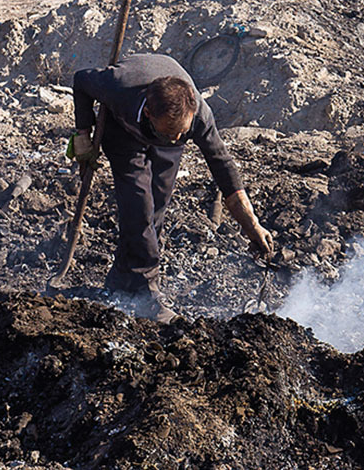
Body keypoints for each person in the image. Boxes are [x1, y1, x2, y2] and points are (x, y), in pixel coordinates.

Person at [69, 54, 273, 323]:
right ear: (150, 113)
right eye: (171, 131)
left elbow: (223, 167)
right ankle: (148, 293)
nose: (177, 137)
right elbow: (81, 79)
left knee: (157, 207)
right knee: (138, 207)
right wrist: (83, 134)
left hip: (163, 140)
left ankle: (120, 281)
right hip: (123, 132)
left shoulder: (197, 116)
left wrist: (251, 224)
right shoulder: (118, 87)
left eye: (182, 132)